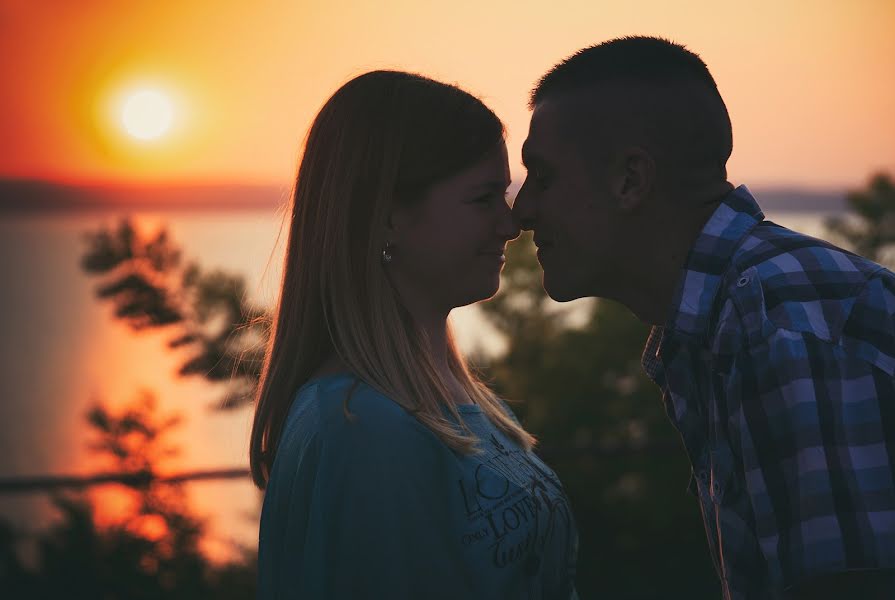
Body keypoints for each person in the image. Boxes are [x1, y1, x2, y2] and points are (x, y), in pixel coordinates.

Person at [512, 36, 895, 599]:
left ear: (630, 180)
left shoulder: (775, 324)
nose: (521, 211)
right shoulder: (721, 320)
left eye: (542, 178)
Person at [250, 70, 578, 600]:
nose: (511, 222)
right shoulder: (361, 430)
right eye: (483, 198)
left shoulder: (454, 400)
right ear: (386, 218)